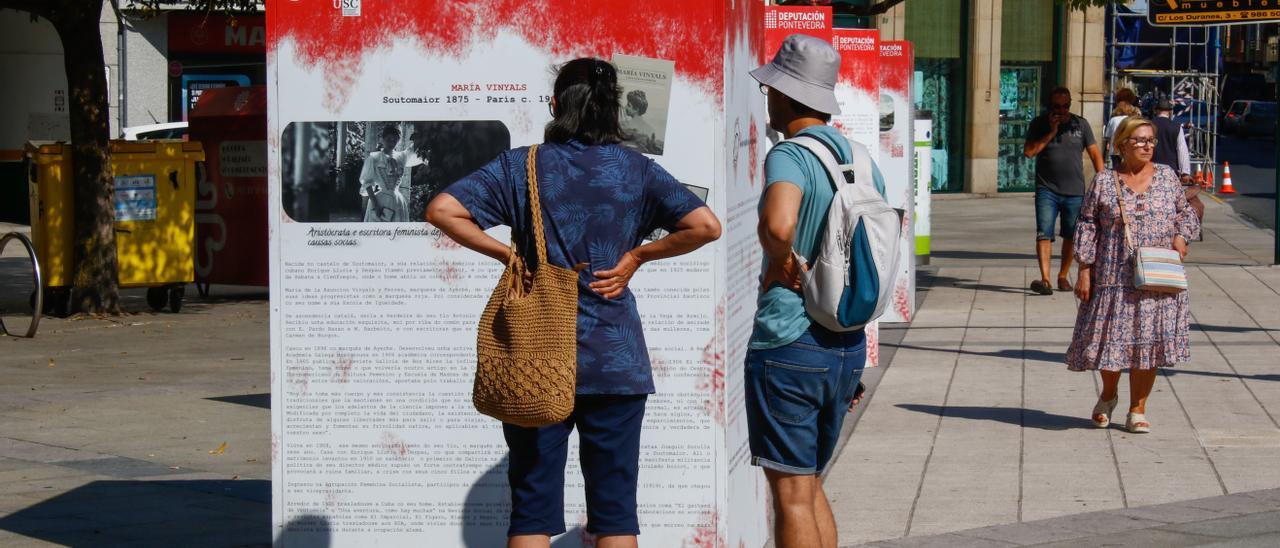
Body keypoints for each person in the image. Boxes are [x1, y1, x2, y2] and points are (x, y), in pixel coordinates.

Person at [426, 57, 721, 548]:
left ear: (557, 105)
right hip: (614, 356)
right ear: (611, 112)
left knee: (532, 511)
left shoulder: (520, 166)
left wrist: (506, 252)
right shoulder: (636, 169)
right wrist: (636, 258)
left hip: (536, 353)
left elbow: (442, 209)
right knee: (615, 515)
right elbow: (706, 226)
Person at [746, 33, 886, 548]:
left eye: (772, 92)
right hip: (844, 341)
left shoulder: (790, 155)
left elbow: (779, 225)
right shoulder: (861, 156)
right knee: (809, 485)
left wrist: (779, 262)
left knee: (790, 496)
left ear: (786, 95)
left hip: (790, 337)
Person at [1066, 116, 1200, 434]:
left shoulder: (1167, 177)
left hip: (1156, 276)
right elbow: (1086, 224)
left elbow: (1187, 212)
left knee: (1147, 346)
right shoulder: (1104, 181)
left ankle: (1137, 409)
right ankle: (1109, 394)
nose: (1146, 146)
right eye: (1139, 140)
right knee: (1110, 345)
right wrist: (1085, 269)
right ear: (1122, 144)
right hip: (1112, 275)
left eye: (1150, 140)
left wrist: (1181, 237)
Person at [1023, 86, 1106, 295]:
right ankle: (1045, 279)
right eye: (1056, 107)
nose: (1061, 110)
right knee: (1044, 233)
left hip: (1074, 191)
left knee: (1071, 235)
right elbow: (1029, 152)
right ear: (1049, 106)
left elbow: (1096, 155)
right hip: (1046, 189)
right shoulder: (1039, 124)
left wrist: (1104, 182)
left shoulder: (1081, 124)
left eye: (1065, 106)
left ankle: (1062, 275)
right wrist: (1051, 132)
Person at [359, 124, 410, 222]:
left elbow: (415, 149)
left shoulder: (401, 157)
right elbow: (367, 184)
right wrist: (376, 206)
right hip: (380, 201)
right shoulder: (374, 158)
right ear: (382, 139)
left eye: (395, 139)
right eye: (389, 139)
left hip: (398, 201)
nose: (392, 142)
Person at [1104, 101, 1141, 168]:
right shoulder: (1130, 119)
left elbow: (1107, 135)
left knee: (1116, 168)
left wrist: (1109, 143)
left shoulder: (1113, 120)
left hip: (1114, 149)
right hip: (1127, 148)